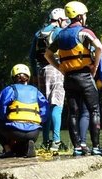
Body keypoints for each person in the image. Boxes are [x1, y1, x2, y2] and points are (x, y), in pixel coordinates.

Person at [44, 1, 102, 157]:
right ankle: (96, 147)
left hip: (69, 78)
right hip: (85, 76)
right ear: (80, 16)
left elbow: (47, 54)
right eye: (84, 15)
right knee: (94, 110)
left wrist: (60, 68)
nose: (85, 17)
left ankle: (77, 148)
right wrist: (95, 66)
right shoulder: (85, 31)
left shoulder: (60, 34)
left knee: (73, 113)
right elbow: (99, 47)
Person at [30, 8, 69, 152]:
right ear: (59, 20)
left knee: (45, 106)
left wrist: (34, 75)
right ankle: (56, 142)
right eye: (65, 20)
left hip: (41, 71)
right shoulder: (60, 32)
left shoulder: (38, 33)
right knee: (56, 105)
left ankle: (45, 141)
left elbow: (31, 56)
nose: (66, 23)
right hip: (56, 69)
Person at [0, 64, 48, 158]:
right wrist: (39, 121)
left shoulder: (9, 89)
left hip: (15, 132)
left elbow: (1, 109)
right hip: (34, 133)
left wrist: (7, 120)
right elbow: (45, 109)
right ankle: (29, 143)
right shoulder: (36, 91)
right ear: (28, 77)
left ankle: (7, 150)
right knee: (19, 150)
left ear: (13, 77)